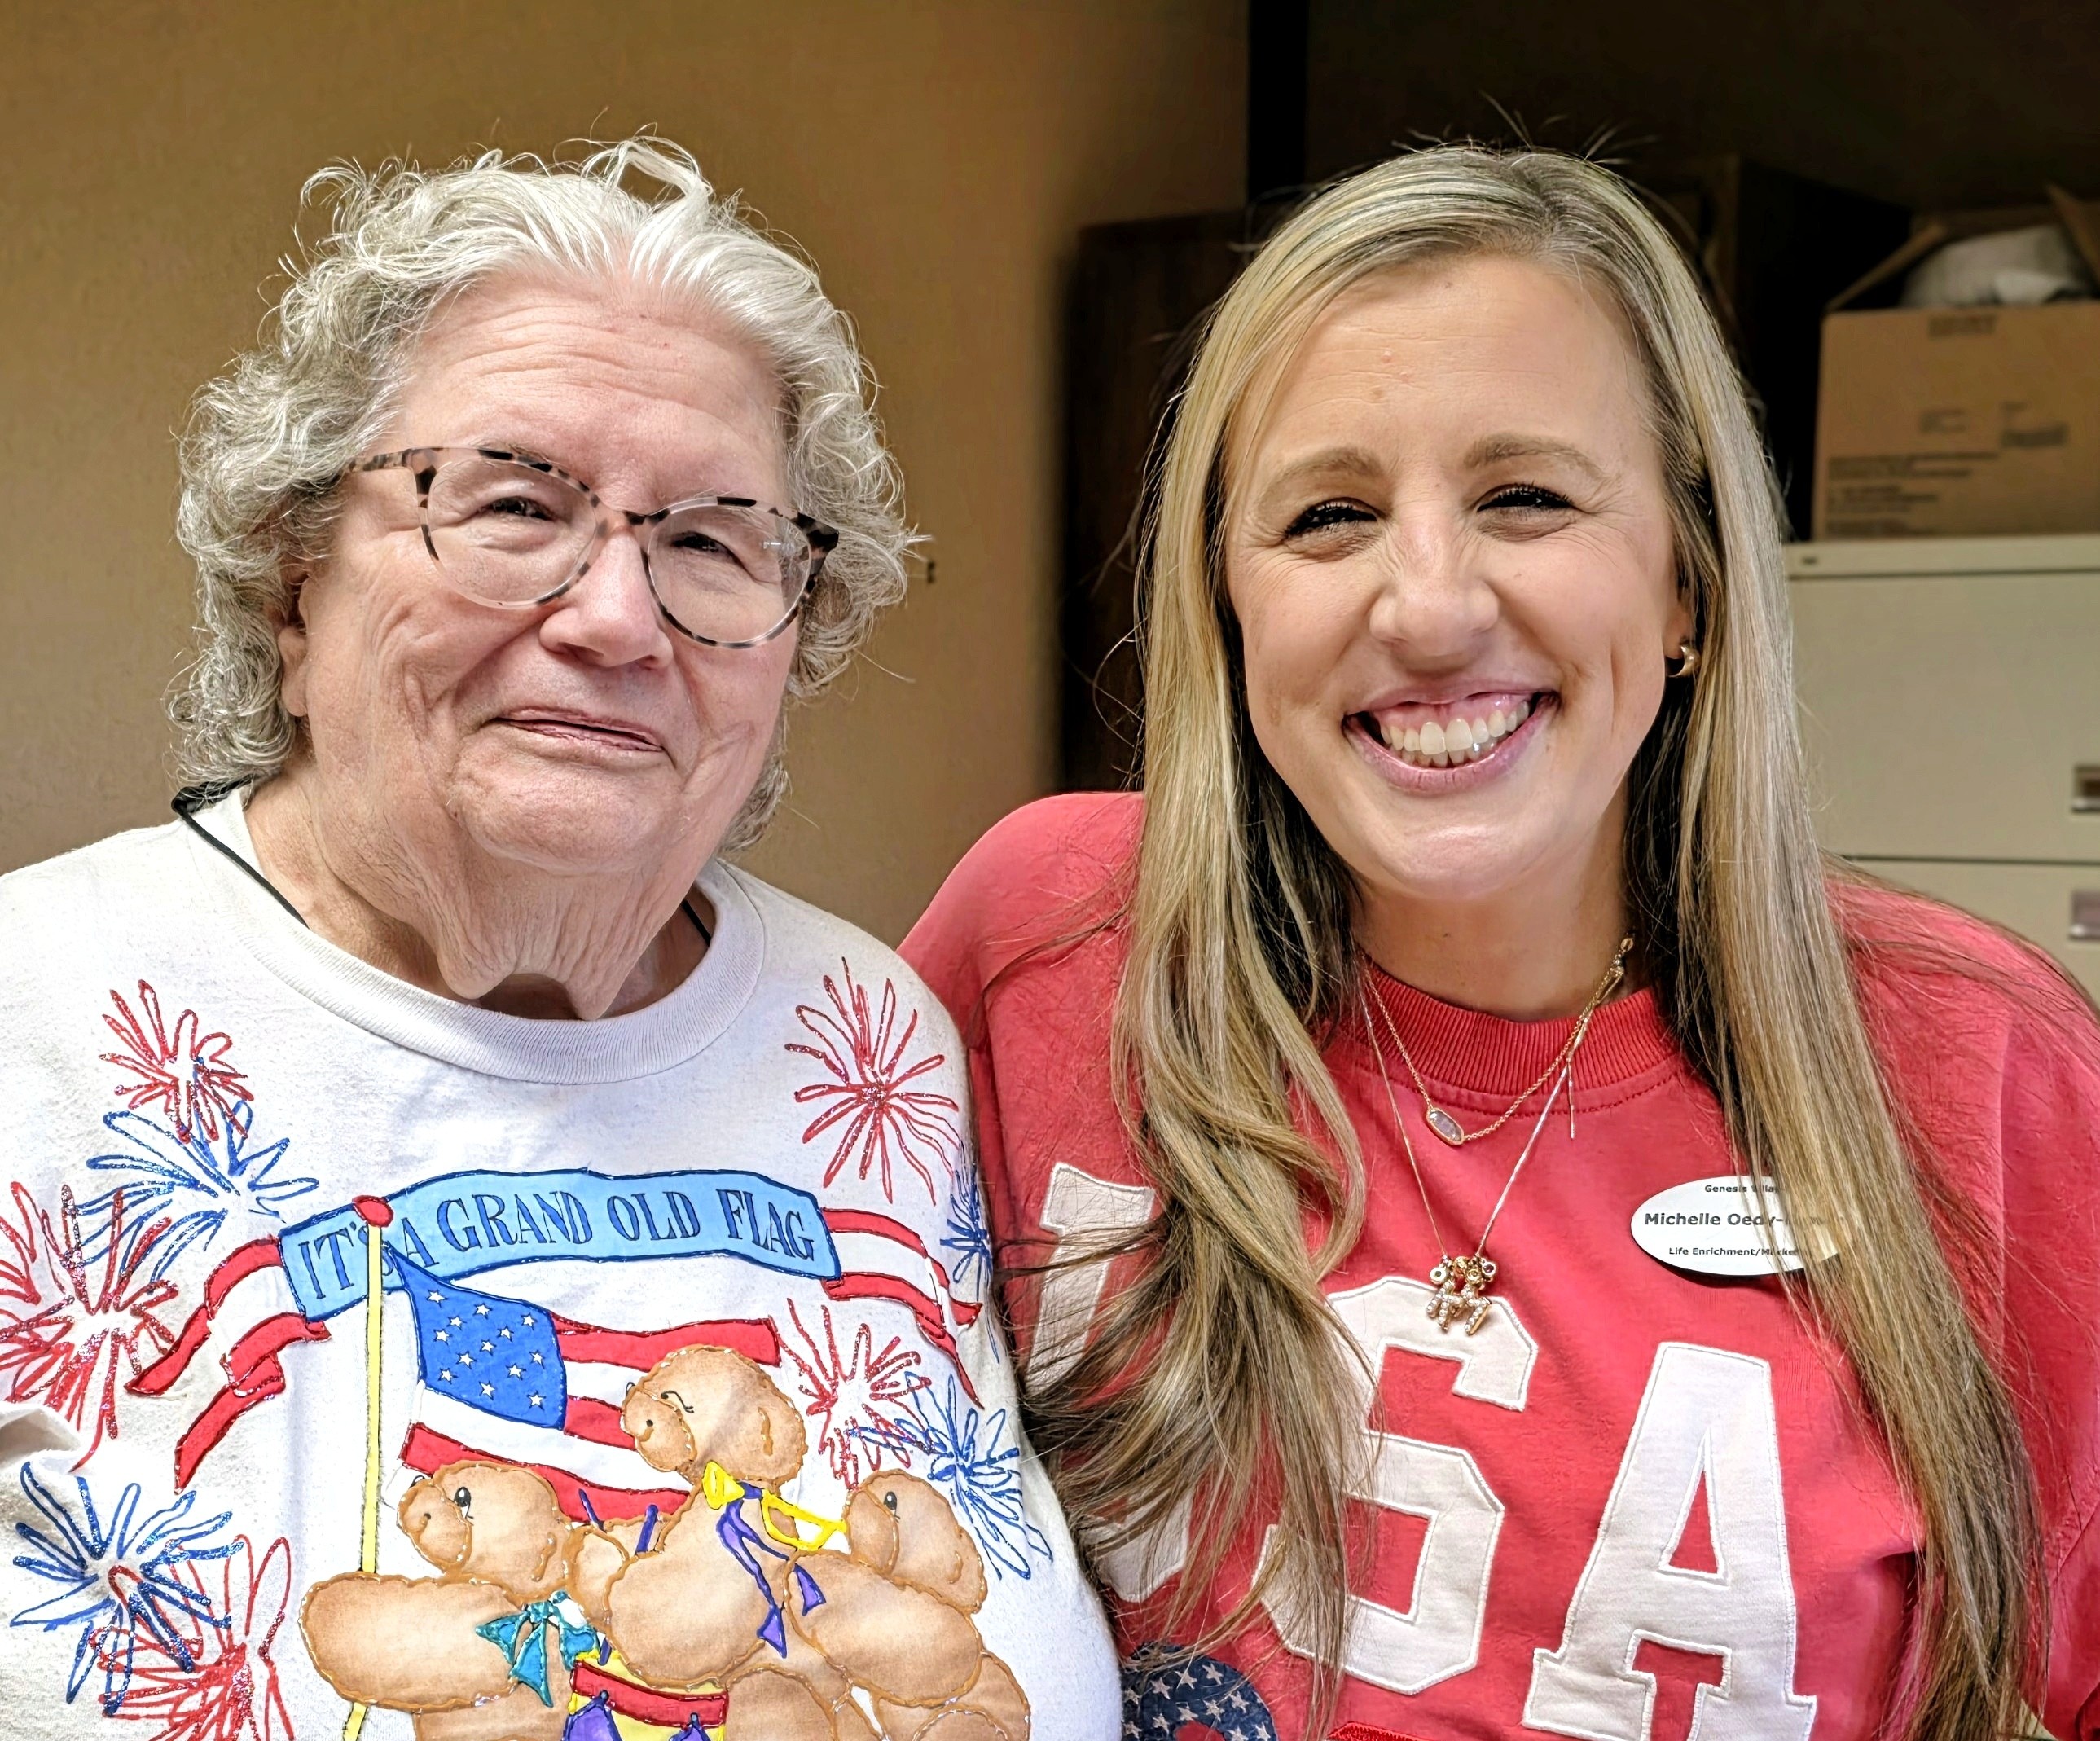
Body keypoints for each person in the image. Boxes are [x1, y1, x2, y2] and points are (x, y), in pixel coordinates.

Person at [903, 147, 2100, 1741]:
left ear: (1685, 583)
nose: (1426, 606)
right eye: (1328, 515)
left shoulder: (1983, 1065)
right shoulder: (1047, 937)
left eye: (1524, 497)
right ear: (1227, 604)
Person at [0, 139, 1116, 1740]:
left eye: (710, 540)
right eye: (514, 504)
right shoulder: (33, 1018)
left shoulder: (871, 1039)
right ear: (292, 581)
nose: (613, 616)